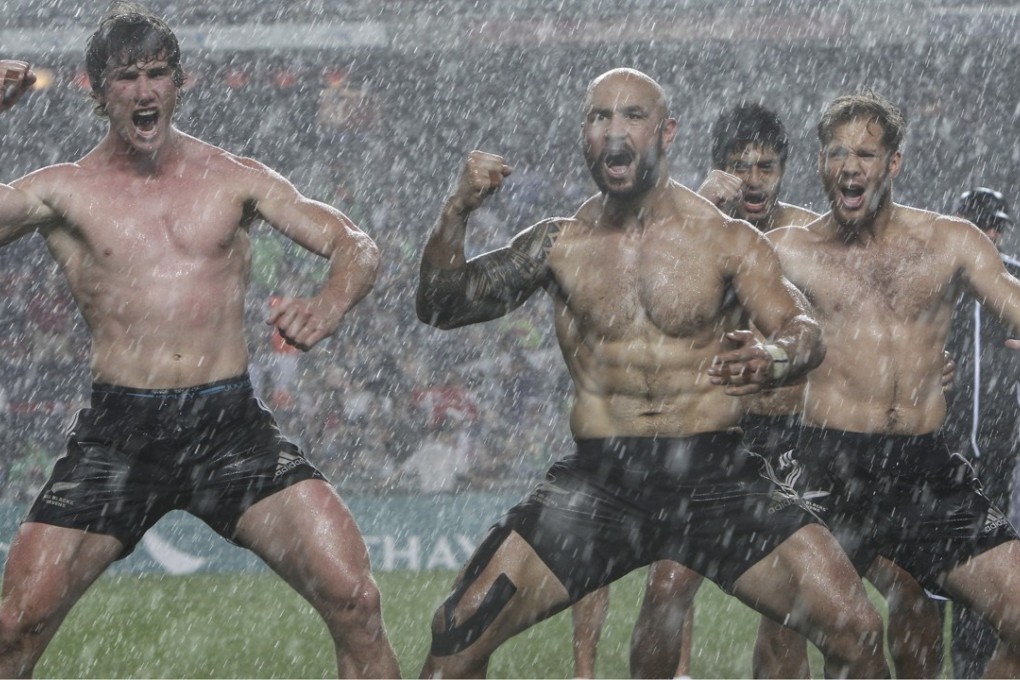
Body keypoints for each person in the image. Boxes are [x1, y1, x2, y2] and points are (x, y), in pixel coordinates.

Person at [415, 67, 890, 680]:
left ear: (666, 132)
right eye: (599, 118)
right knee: (458, 634)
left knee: (856, 632)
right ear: (584, 136)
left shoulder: (726, 239)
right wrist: (456, 211)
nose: (615, 132)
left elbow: (804, 332)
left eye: (632, 117)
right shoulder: (559, 243)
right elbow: (438, 305)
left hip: (714, 473)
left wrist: (772, 359)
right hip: (601, 479)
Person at [0, 6, 399, 678]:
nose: (146, 91)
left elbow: (353, 243)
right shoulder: (63, 191)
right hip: (119, 431)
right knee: (15, 626)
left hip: (230, 426)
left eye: (159, 74)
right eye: (128, 78)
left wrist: (331, 303)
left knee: (355, 599)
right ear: (98, 90)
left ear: (180, 84)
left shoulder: (233, 177)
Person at [758, 90, 1020, 679]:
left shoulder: (950, 241)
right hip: (825, 462)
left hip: (922, 467)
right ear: (821, 164)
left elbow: (1012, 302)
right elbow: (713, 315)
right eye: (835, 153)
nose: (849, 167)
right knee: (813, 633)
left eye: (865, 154)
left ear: (893, 163)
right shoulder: (789, 251)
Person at [569, 101, 819, 679]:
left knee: (789, 612)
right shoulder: (691, 224)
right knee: (668, 584)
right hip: (705, 430)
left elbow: (831, 327)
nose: (753, 180)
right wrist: (702, 205)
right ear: (718, 166)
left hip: (787, 436)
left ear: (785, 169)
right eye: (741, 165)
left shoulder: (808, 233)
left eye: (766, 166)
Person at [942, 187, 1020, 678]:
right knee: (952, 580)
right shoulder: (939, 275)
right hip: (946, 455)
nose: (992, 234)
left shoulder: (1012, 277)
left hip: (1005, 454)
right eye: (983, 224)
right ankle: (964, 667)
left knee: (1002, 576)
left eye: (997, 225)